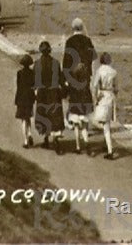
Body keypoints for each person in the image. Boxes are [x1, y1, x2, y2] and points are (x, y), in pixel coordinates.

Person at [62, 18, 96, 154]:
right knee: (85, 108)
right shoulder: (87, 41)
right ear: (82, 28)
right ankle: (86, 138)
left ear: (73, 28)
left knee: (75, 107)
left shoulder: (69, 41)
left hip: (73, 78)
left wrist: (65, 78)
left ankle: (77, 144)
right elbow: (93, 57)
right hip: (85, 76)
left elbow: (66, 62)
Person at [33, 40, 66, 153]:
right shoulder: (56, 63)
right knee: (54, 115)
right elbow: (61, 78)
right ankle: (56, 138)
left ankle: (46, 138)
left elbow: (35, 81)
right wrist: (64, 89)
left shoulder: (37, 64)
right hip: (54, 92)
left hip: (42, 92)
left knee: (44, 115)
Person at [91, 52, 118, 159]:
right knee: (106, 122)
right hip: (110, 96)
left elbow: (94, 86)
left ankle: (109, 149)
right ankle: (107, 145)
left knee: (102, 122)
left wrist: (95, 99)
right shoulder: (114, 72)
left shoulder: (99, 71)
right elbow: (116, 88)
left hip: (102, 95)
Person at [15, 53, 35, 148]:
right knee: (28, 116)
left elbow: (18, 85)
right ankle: (30, 133)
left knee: (23, 119)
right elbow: (34, 85)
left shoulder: (19, 73)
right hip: (29, 97)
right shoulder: (32, 73)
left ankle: (26, 141)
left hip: (21, 97)